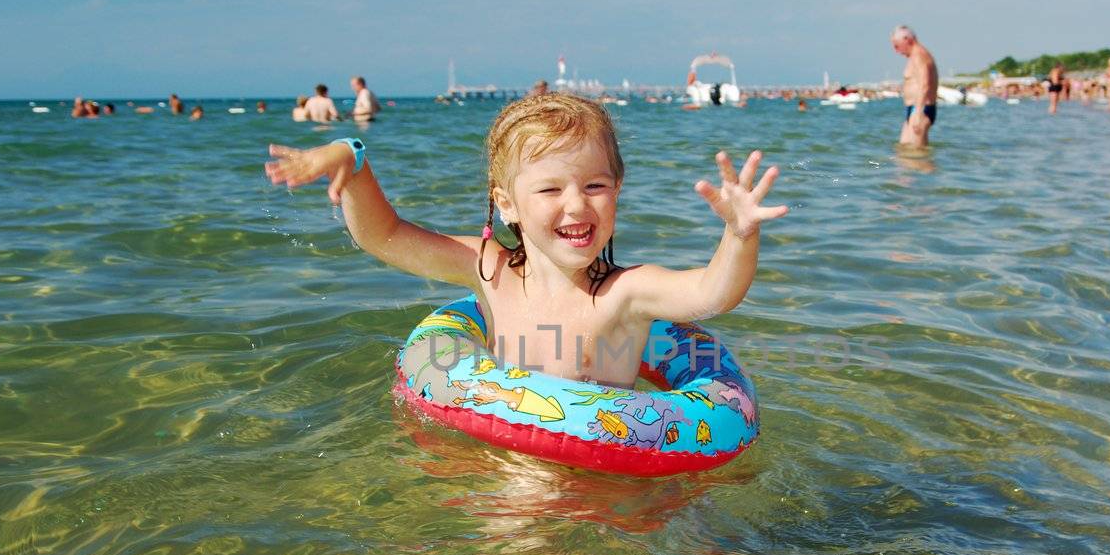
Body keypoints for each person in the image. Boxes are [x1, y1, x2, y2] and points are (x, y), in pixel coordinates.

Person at [263, 92, 788, 385]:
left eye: (596, 185)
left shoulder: (624, 293)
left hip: (609, 477)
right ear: (506, 202)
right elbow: (386, 235)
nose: (577, 204)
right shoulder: (488, 269)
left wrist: (739, 233)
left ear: (618, 189)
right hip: (515, 461)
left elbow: (713, 294)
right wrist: (352, 163)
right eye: (551, 188)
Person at [890, 25, 937, 146]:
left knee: (917, 154)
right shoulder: (914, 56)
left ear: (907, 39)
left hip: (920, 109)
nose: (896, 50)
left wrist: (918, 113)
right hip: (914, 109)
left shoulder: (919, 55)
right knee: (905, 152)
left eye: (897, 45)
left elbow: (925, 84)